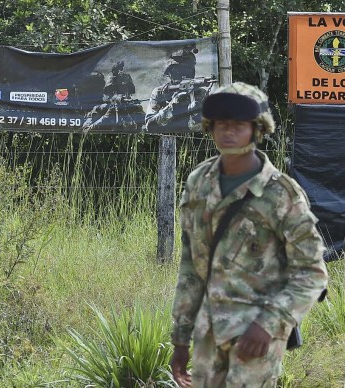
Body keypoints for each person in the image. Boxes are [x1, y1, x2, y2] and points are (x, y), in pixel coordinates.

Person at [170, 82, 329, 387]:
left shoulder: (280, 193)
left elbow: (312, 273)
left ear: (256, 129)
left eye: (238, 125)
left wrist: (268, 324)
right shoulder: (199, 182)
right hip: (208, 333)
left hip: (255, 339)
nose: (228, 132)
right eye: (221, 124)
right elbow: (191, 265)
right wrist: (180, 337)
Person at [143, 44, 216, 133]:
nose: (183, 73)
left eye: (187, 69)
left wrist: (196, 113)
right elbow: (149, 125)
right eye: (178, 69)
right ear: (170, 72)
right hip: (166, 138)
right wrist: (171, 108)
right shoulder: (160, 92)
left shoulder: (200, 93)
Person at [81, 61, 144, 133]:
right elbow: (85, 130)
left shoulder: (135, 109)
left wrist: (126, 115)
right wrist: (107, 116)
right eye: (114, 90)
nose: (121, 94)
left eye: (124, 90)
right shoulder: (100, 109)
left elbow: (146, 130)